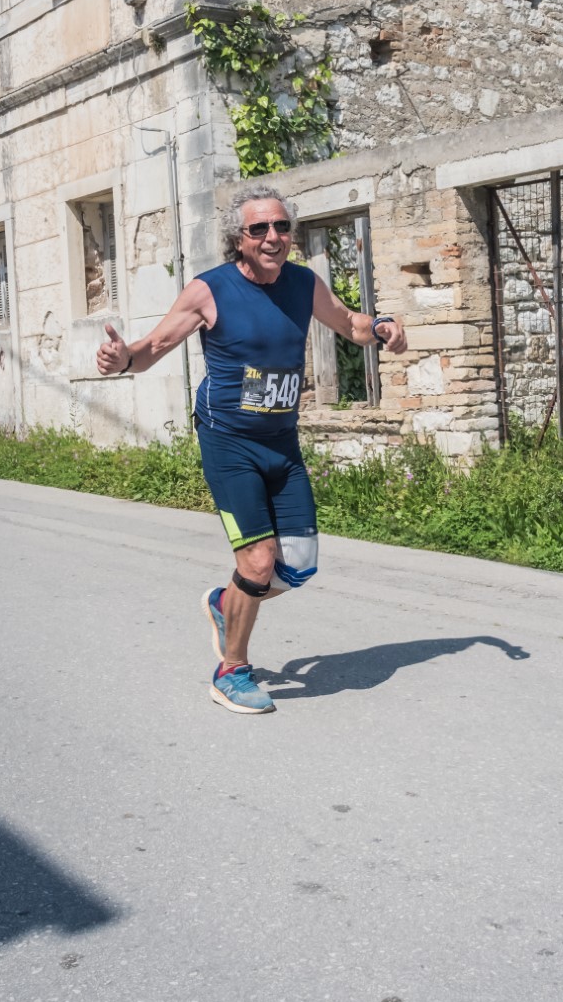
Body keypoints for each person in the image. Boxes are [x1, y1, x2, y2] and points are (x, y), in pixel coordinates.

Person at [96, 186, 407, 715]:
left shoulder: (303, 284)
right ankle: (232, 670)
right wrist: (123, 357)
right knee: (259, 562)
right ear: (237, 239)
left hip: (281, 441)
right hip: (229, 441)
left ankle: (227, 603)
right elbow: (154, 348)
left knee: (298, 565)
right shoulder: (209, 290)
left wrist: (381, 327)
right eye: (258, 228)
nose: (272, 237)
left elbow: (350, 323)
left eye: (281, 226)